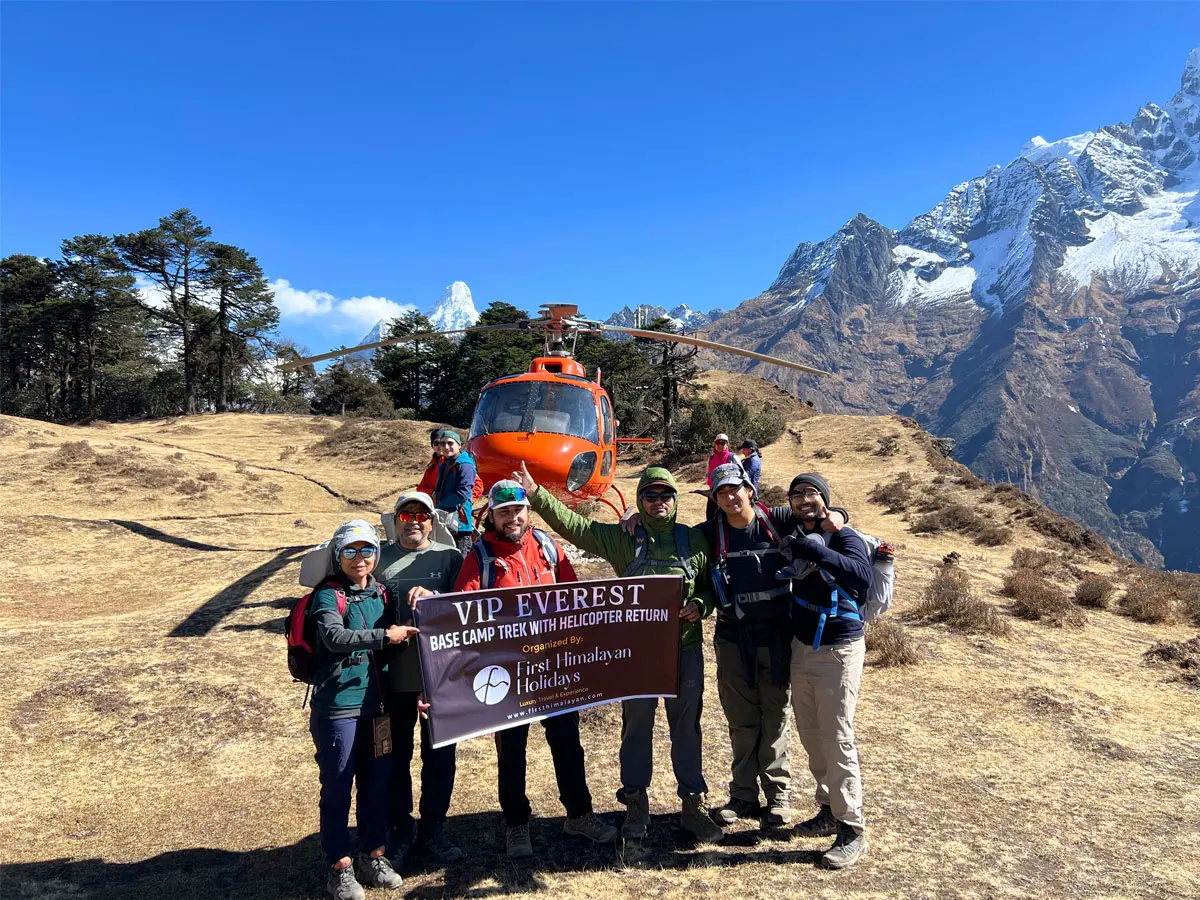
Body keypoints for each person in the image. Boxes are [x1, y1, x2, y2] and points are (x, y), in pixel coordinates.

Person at [521, 463, 725, 844]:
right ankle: (635, 802)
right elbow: (576, 527)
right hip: (638, 655)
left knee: (687, 728)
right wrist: (536, 494)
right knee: (636, 728)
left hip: (685, 650)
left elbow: (711, 586)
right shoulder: (622, 539)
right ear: (639, 499)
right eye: (650, 495)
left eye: (666, 495)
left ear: (676, 500)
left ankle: (693, 806)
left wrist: (701, 603)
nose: (659, 501)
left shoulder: (695, 540)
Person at [453, 480, 618, 857]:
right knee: (512, 749)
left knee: (567, 743)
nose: (513, 517)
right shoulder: (479, 557)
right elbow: (463, 609)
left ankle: (579, 814)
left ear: (528, 511)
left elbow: (573, 595)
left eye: (518, 510)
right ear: (491, 515)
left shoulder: (546, 545)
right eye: (504, 511)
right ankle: (516, 824)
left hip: (553, 666)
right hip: (509, 672)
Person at [309, 519, 414, 900]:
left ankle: (374, 854)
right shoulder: (327, 596)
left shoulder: (382, 595)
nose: (359, 558)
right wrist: (385, 636)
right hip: (338, 707)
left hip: (378, 706)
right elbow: (334, 637)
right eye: (350, 551)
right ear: (338, 556)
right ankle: (338, 865)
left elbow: (397, 642)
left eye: (366, 550)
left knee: (376, 784)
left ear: (376, 554)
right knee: (337, 787)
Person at [782, 473, 873, 869]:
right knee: (811, 733)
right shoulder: (793, 523)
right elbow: (740, 507)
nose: (804, 499)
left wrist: (818, 546)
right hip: (802, 647)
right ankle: (827, 809)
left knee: (837, 736)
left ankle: (852, 829)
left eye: (812, 493)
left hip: (839, 648)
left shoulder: (844, 536)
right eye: (798, 493)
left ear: (825, 499)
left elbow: (862, 576)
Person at [375, 492, 464, 868]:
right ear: (395, 520)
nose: (413, 520)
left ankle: (433, 829)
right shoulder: (377, 558)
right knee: (394, 758)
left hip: (440, 678)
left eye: (421, 514)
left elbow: (470, 605)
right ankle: (400, 829)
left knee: (440, 757)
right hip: (390, 680)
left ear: (432, 521)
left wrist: (436, 597)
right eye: (405, 514)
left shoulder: (450, 557)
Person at [431, 429, 477, 554]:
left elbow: (462, 494)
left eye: (450, 443)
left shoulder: (465, 465)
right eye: (442, 444)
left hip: (460, 523)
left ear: (459, 445)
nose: (446, 447)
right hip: (446, 519)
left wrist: (439, 506)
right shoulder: (444, 464)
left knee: (461, 561)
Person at [705, 433, 736, 520]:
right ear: (714, 444)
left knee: (727, 517)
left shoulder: (732, 458)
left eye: (723, 443)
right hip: (713, 492)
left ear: (727, 444)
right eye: (718, 443)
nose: (720, 445)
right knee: (711, 517)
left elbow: (740, 473)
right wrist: (709, 482)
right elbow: (707, 473)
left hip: (727, 492)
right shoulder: (711, 458)